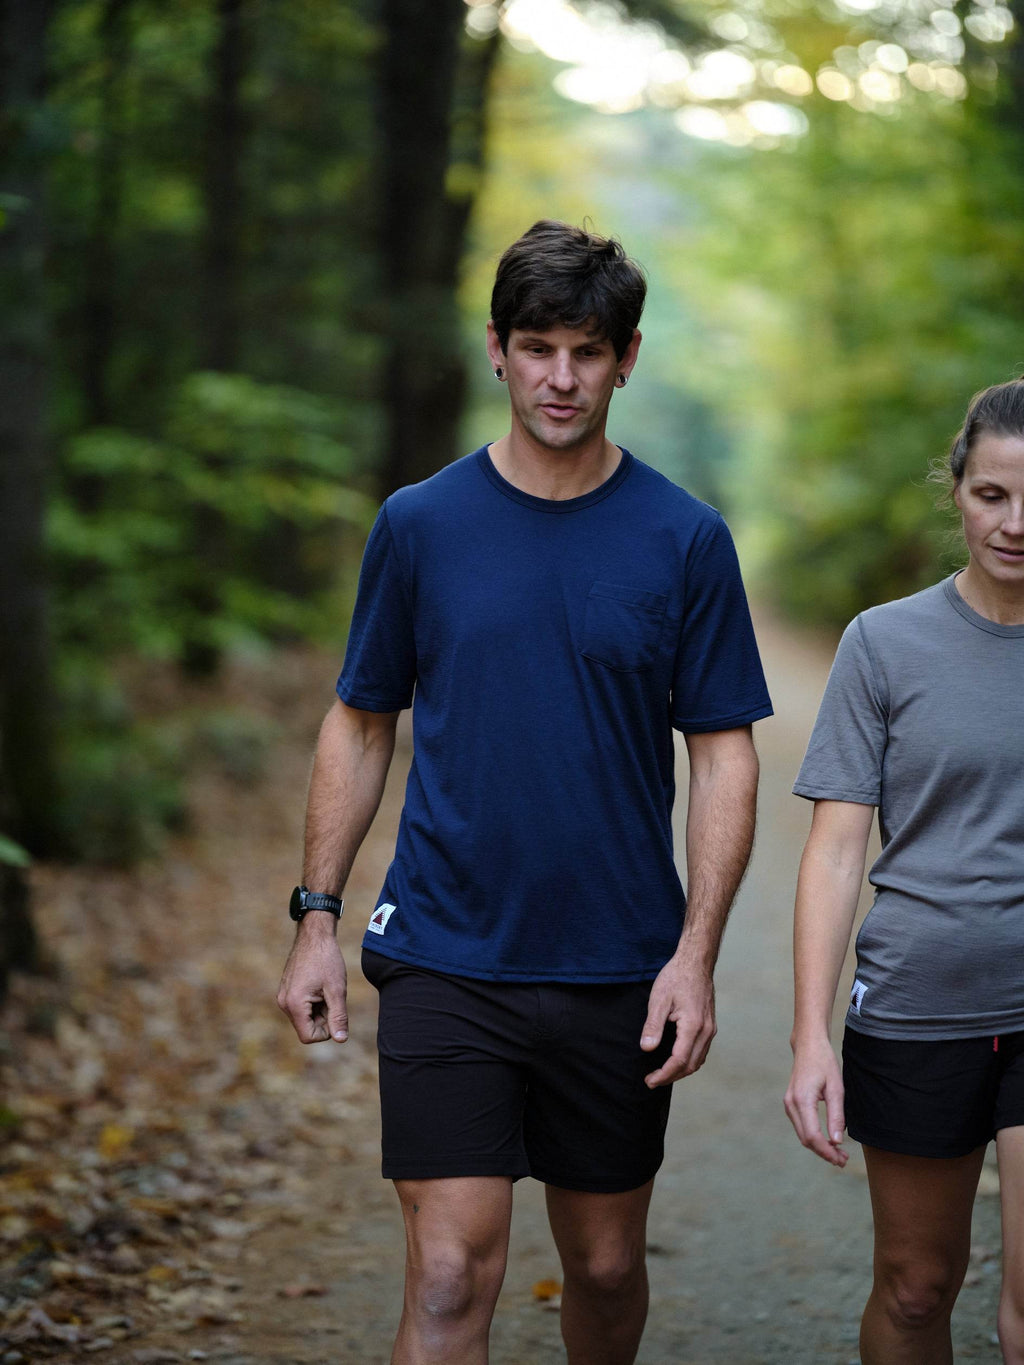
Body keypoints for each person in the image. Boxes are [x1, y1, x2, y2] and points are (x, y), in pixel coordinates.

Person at [277, 219, 773, 1365]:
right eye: (538, 347)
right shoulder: (419, 525)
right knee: (450, 1274)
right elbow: (360, 720)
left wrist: (693, 954)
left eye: (587, 352)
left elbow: (725, 754)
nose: (561, 378)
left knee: (601, 1266)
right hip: (448, 951)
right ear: (496, 349)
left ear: (627, 358)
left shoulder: (684, 539)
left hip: (617, 964)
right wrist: (314, 918)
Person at [784, 377, 1024, 1365]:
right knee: (918, 1288)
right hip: (918, 1002)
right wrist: (809, 1035)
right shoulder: (882, 644)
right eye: (992, 495)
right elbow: (837, 847)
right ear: (955, 492)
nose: (1014, 523)